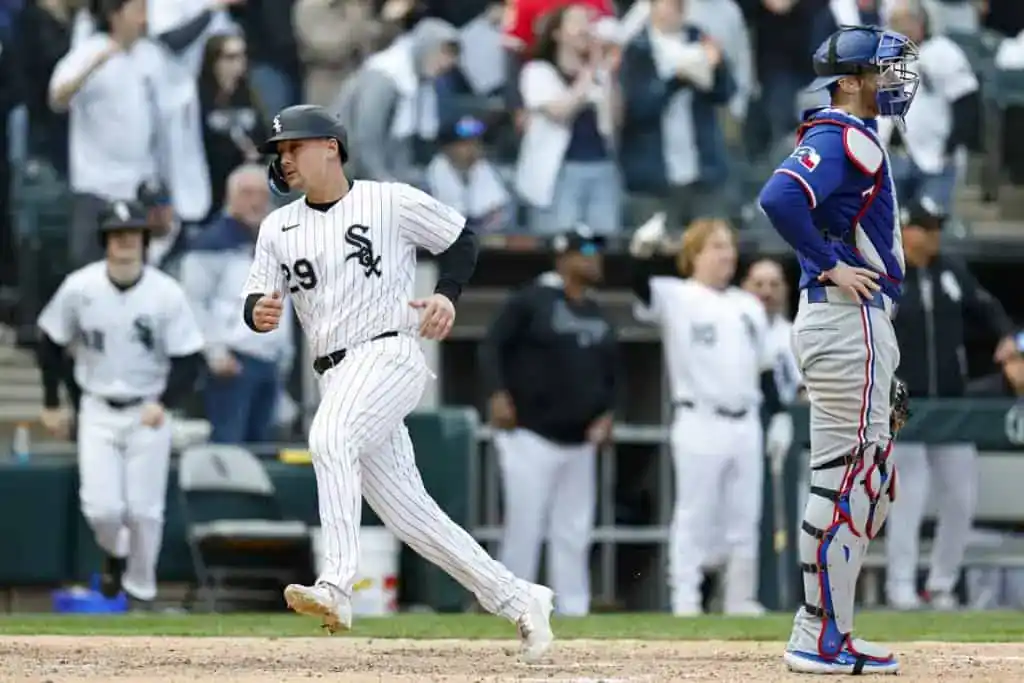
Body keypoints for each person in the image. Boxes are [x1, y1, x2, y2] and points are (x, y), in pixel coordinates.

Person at [242, 104, 554, 662]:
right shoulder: (277, 228)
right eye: (279, 151)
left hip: (389, 353)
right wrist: (257, 313)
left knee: (329, 440)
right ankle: (519, 599)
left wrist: (446, 295)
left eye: (293, 147)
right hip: (334, 374)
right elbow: (257, 297)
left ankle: (337, 585)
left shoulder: (388, 199)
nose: (283, 159)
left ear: (330, 147)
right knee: (413, 517)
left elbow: (463, 241)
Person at [757, 25, 920, 674]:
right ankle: (819, 633)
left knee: (867, 480)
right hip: (845, 316)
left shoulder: (853, 134)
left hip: (855, 321)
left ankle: (824, 628)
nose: (894, 78)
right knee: (851, 478)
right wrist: (827, 263)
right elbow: (779, 197)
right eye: (883, 69)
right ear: (850, 80)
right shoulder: (841, 133)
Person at [35, 200, 204, 608]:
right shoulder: (81, 287)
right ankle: (117, 552)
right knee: (101, 509)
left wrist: (165, 402)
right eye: (117, 235)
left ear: (145, 241)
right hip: (96, 405)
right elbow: (49, 341)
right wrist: (54, 402)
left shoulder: (165, 292)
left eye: (132, 234)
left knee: (145, 510)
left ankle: (140, 591)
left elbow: (189, 358)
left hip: (148, 407)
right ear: (105, 242)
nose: (125, 242)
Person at [628, 215, 790, 617]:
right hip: (699, 417)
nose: (727, 254)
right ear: (695, 254)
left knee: (744, 516)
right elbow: (640, 285)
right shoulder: (677, 295)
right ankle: (686, 597)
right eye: (717, 246)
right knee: (694, 514)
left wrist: (780, 414)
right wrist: (642, 251)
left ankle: (739, 597)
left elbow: (765, 366)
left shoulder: (747, 304)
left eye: (729, 246)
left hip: (746, 420)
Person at [479, 225, 619, 617]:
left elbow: (613, 373)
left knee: (574, 532)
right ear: (564, 257)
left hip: (580, 440)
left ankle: (573, 609)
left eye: (597, 251)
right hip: (530, 434)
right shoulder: (532, 300)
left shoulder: (596, 311)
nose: (594, 259)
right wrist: (497, 393)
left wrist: (608, 413)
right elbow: (492, 345)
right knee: (525, 528)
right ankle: (511, 607)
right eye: (586, 251)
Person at [885, 199, 1017, 611]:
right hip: (903, 399)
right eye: (925, 228)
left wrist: (1010, 341)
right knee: (909, 493)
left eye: (936, 227)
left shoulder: (950, 270)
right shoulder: (887, 272)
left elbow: (988, 308)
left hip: (951, 397)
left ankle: (941, 583)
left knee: (962, 495)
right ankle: (901, 586)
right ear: (905, 231)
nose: (934, 236)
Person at [180, 164, 293, 445]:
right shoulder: (210, 244)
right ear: (230, 197)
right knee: (230, 445)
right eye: (246, 193)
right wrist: (215, 353)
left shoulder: (278, 240)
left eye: (261, 194)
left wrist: (285, 354)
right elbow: (193, 302)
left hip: (270, 359)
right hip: (234, 360)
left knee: (265, 446)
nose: (255, 201)